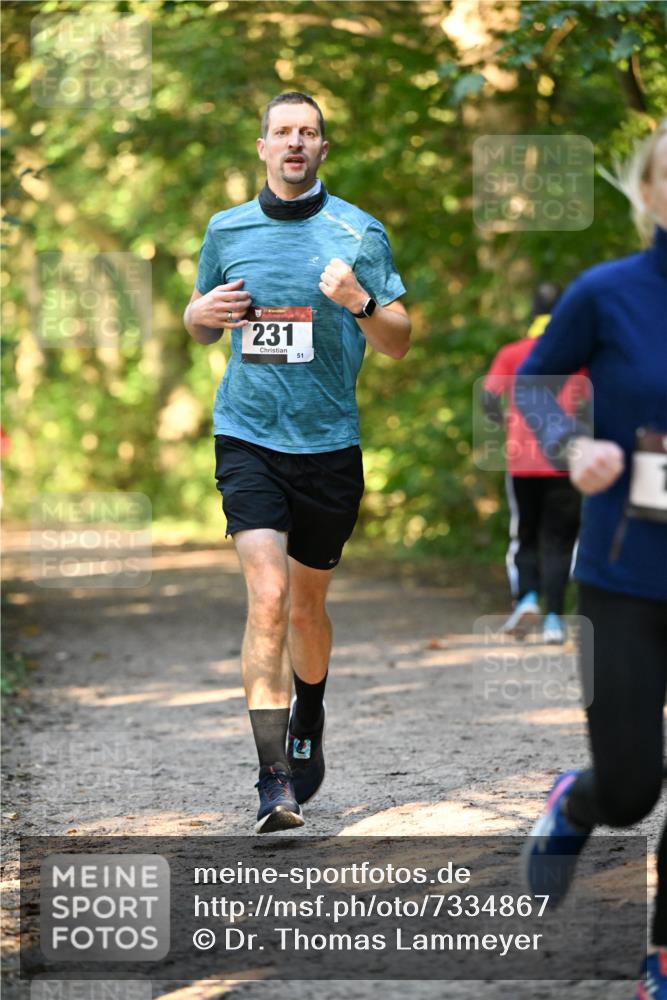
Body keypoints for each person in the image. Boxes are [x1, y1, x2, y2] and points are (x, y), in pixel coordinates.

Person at [183, 92, 410, 833]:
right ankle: (273, 779)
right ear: (262, 147)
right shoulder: (226, 229)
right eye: (282, 131)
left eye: (307, 132)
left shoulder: (358, 231)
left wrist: (359, 300)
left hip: (328, 444)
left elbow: (399, 339)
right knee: (269, 597)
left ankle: (309, 709)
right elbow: (201, 320)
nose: (294, 142)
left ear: (321, 149)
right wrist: (195, 316)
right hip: (247, 435)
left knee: (307, 608)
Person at [518, 120, 667, 997]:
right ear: (647, 193)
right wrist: (572, 447)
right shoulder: (605, 293)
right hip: (623, 575)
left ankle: (663, 956)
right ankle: (578, 800)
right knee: (632, 790)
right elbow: (533, 384)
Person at [482, 282, 585, 643]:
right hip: (566, 459)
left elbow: (488, 398)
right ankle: (555, 619)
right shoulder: (577, 354)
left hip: (521, 459)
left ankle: (526, 598)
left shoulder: (511, 353)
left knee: (524, 534)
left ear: (532, 313)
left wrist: (507, 423)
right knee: (560, 539)